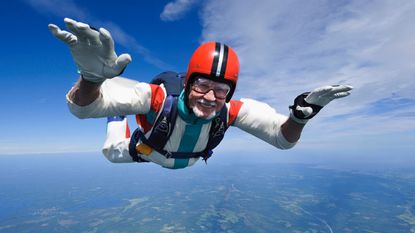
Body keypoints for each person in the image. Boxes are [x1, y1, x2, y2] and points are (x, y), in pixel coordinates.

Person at [48, 18, 353, 169]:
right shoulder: (155, 97)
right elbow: (81, 109)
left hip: (184, 158)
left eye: (221, 90)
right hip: (149, 151)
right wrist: (89, 80)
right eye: (202, 85)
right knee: (113, 152)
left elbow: (281, 139)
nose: (210, 97)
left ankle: (112, 95)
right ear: (189, 82)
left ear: (230, 93)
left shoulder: (232, 111)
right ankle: (117, 109)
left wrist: (299, 119)